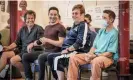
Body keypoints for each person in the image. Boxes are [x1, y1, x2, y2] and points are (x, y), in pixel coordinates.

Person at [67, 10, 118, 80]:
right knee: (73, 58)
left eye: (105, 18)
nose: (102, 20)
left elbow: (110, 53)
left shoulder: (114, 33)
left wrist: (95, 56)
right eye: (102, 17)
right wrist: (90, 54)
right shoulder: (101, 31)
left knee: (96, 61)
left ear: (111, 20)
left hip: (107, 58)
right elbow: (94, 46)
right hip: (95, 55)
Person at [22, 7, 66, 80]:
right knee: (25, 56)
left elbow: (61, 44)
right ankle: (28, 78)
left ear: (58, 15)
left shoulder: (60, 27)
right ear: (48, 15)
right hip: (45, 51)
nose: (53, 16)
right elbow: (42, 41)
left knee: (41, 57)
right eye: (51, 14)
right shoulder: (47, 27)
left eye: (55, 14)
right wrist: (33, 44)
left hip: (55, 52)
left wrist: (47, 40)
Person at [47, 4, 90, 80]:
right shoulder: (75, 24)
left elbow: (80, 43)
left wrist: (67, 49)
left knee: (57, 59)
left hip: (77, 52)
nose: (73, 15)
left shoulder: (83, 25)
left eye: (76, 13)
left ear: (82, 14)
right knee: (50, 56)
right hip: (67, 51)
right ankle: (58, 78)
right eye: (72, 13)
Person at [0, 10, 44, 76]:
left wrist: (32, 44)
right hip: (21, 49)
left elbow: (40, 41)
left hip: (32, 51)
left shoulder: (38, 28)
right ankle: (28, 71)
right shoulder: (22, 29)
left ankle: (27, 74)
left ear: (34, 19)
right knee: (4, 54)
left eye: (32, 18)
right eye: (28, 18)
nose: (30, 20)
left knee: (13, 60)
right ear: (25, 19)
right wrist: (8, 47)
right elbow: (16, 42)